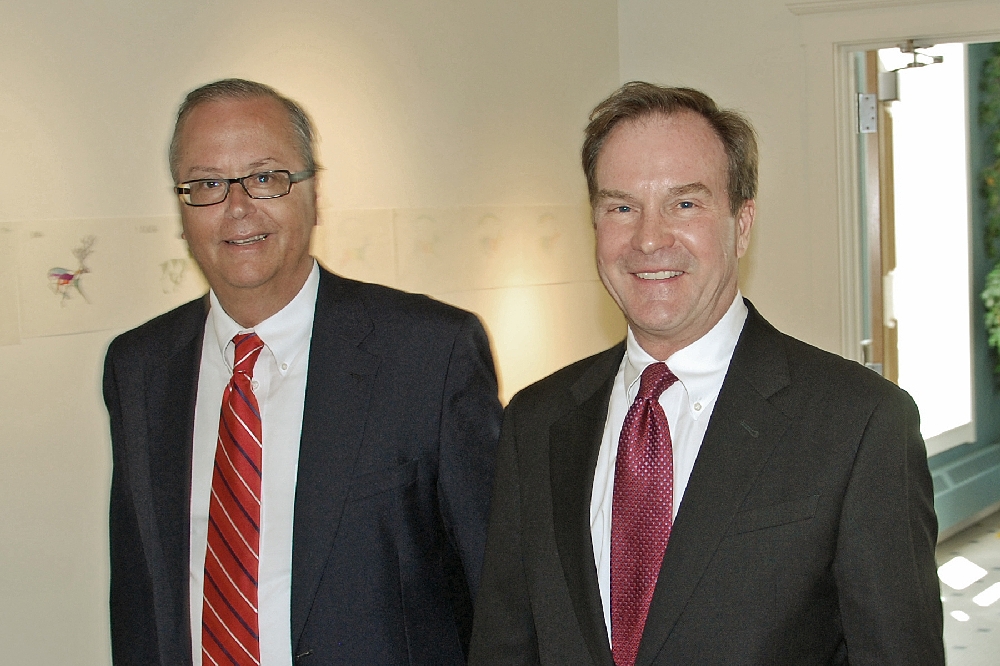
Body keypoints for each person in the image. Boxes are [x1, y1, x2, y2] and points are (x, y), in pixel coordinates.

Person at [468, 82, 943, 665]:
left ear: (742, 224)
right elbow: (504, 646)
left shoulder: (861, 424)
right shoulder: (536, 421)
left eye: (685, 203)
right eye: (621, 207)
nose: (648, 238)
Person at [104, 78, 502, 665]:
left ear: (314, 194)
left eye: (266, 178)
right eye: (208, 184)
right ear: (182, 206)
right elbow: (140, 598)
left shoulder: (429, 354)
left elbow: (498, 596)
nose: (237, 208)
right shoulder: (138, 367)